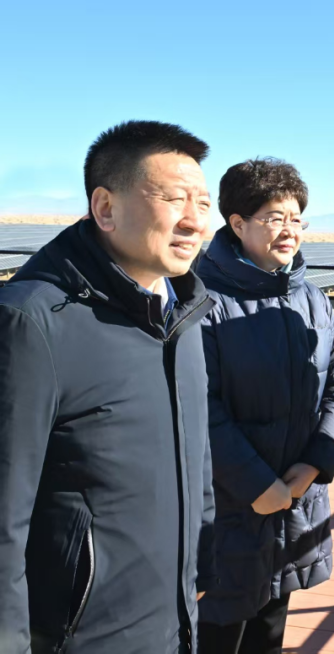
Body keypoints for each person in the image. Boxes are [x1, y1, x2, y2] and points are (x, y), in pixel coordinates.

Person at [0, 121, 216, 652]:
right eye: (174, 199)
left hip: (174, 624)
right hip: (80, 636)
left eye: (204, 202)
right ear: (105, 208)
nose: (194, 220)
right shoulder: (31, 322)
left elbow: (198, 458)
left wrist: (201, 565)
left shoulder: (184, 315)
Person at [195, 158, 334, 653]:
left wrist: (314, 463)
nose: (289, 230)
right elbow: (198, 406)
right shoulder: (202, 300)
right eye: (274, 218)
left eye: (296, 218)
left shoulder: (313, 299)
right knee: (215, 630)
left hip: (293, 505)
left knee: (269, 632)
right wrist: (257, 485)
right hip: (229, 510)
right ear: (237, 223)